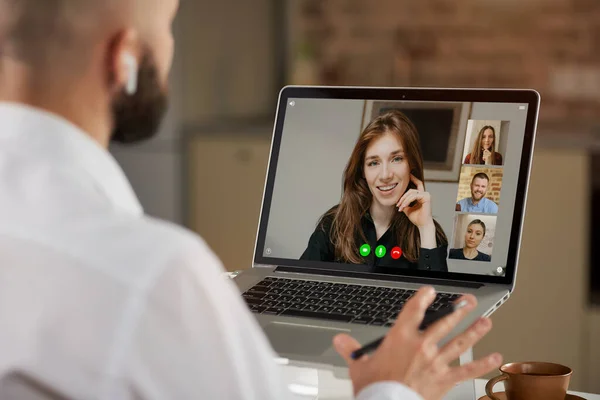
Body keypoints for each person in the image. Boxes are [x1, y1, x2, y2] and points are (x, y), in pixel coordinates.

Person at [0, 1, 502, 398]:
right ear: (124, 57)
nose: (385, 173)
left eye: (395, 160)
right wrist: (393, 392)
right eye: (169, 24)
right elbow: (305, 276)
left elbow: (444, 294)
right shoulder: (154, 275)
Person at [301, 110, 449, 272]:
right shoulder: (332, 224)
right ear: (362, 171)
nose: (385, 175)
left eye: (396, 159)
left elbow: (435, 296)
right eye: (373, 163)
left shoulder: (430, 232)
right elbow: (300, 287)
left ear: (411, 163)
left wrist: (426, 229)